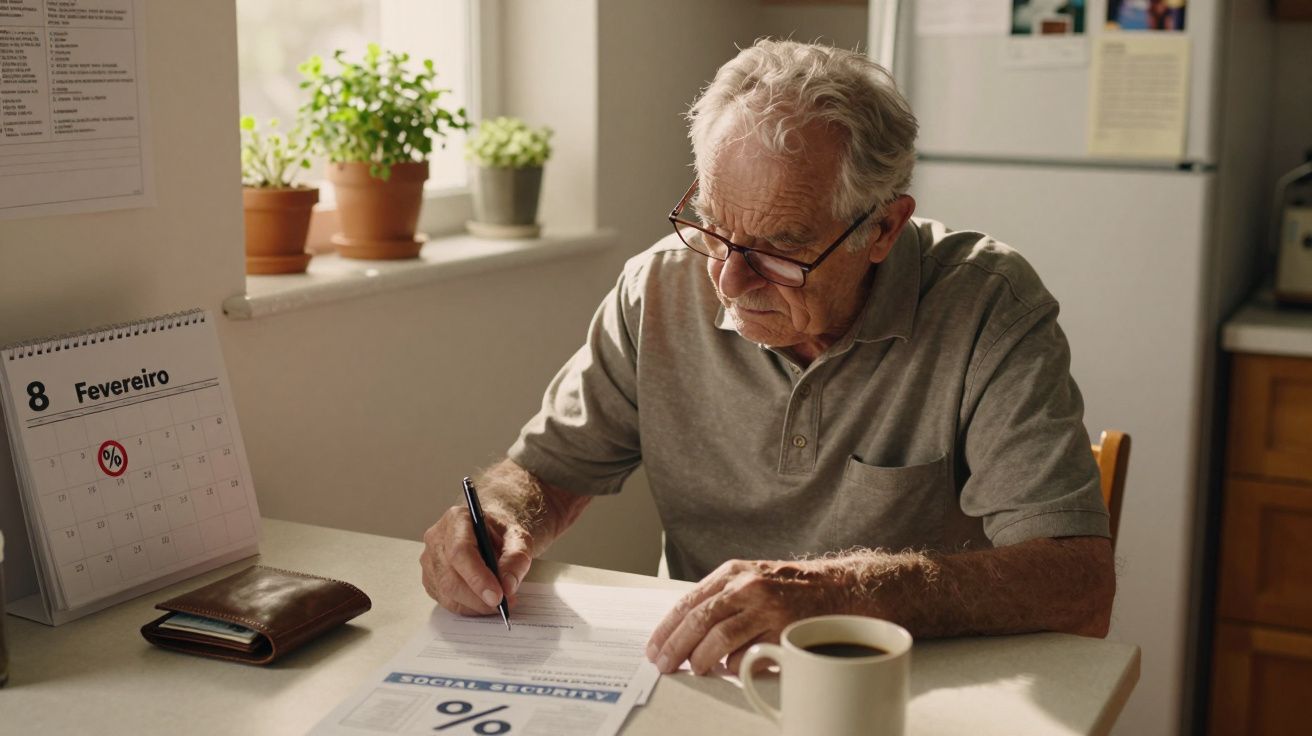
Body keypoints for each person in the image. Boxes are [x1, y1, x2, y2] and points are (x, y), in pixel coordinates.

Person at [420, 40, 1115, 677]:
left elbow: (1077, 578)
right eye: (715, 229)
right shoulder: (657, 288)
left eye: (780, 250)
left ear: (882, 228)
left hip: (904, 686)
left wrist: (846, 591)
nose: (728, 281)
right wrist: (498, 518)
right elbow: (546, 475)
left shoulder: (988, 305)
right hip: (705, 677)